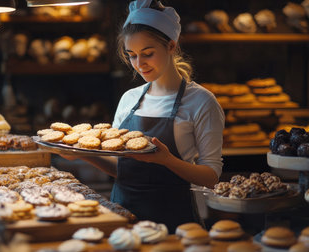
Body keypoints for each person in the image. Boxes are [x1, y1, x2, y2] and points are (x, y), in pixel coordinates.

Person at [63, 0, 224, 232]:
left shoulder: (201, 102)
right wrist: (80, 154)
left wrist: (166, 160)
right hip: (123, 216)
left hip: (173, 222)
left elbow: (211, 177)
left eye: (148, 54)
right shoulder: (129, 99)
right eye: (132, 55)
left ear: (171, 46)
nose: (139, 64)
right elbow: (123, 167)